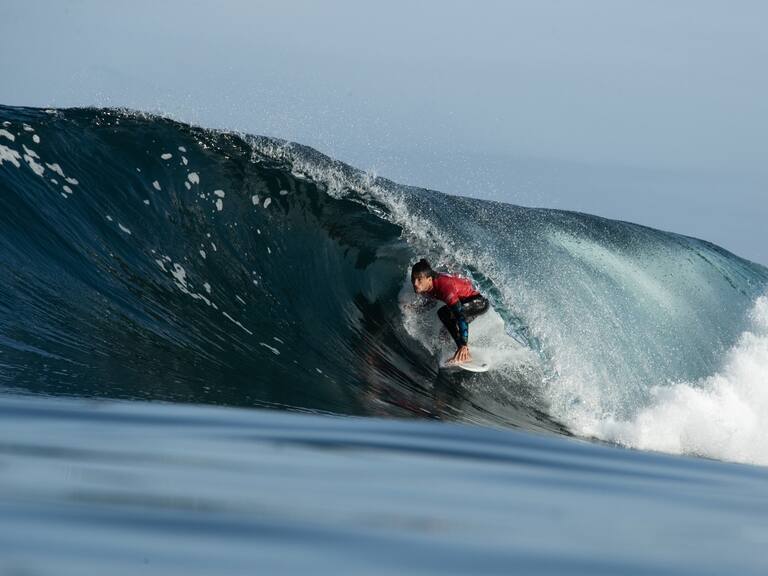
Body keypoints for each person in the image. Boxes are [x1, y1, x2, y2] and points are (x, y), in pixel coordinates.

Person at [411, 259, 489, 365]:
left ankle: (464, 352)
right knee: (444, 329)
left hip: (479, 302)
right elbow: (432, 302)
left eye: (419, 279)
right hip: (464, 302)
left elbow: (461, 315)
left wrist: (463, 344)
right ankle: (455, 352)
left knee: (447, 315)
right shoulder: (426, 286)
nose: (415, 283)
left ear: (429, 279)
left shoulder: (444, 287)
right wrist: (416, 308)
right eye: (413, 278)